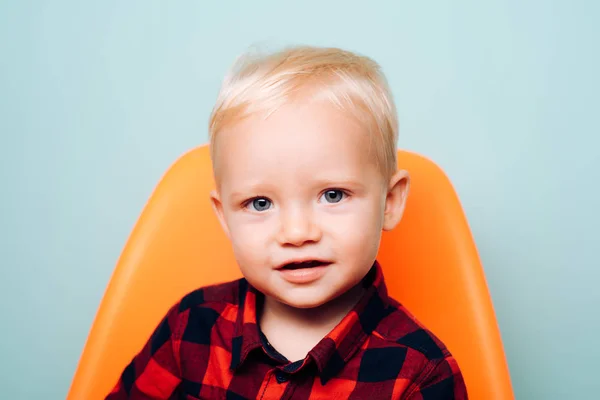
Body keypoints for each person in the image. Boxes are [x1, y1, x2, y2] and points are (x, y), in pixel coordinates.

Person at [107, 45, 467, 399]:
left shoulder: (419, 374)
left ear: (389, 201)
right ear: (225, 217)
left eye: (333, 195)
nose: (297, 233)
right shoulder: (191, 327)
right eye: (260, 203)